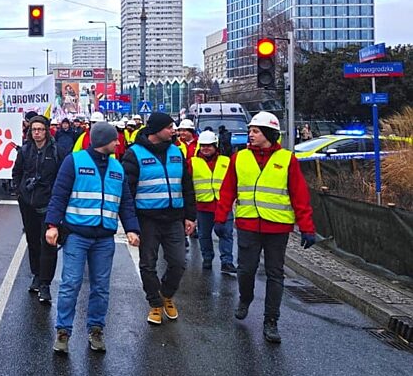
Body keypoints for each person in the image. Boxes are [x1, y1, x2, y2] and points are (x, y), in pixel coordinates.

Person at [215, 111, 316, 344]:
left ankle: (271, 320)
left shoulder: (287, 159)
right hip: (248, 224)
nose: (250, 134)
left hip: (277, 227)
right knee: (245, 270)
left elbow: (300, 196)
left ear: (269, 134)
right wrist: (221, 219)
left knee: (275, 274)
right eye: (250, 131)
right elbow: (227, 190)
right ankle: (245, 298)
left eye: (256, 131)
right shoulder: (239, 158)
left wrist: (307, 227)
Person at [45, 122, 140, 354]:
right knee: (70, 284)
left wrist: (132, 228)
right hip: (77, 235)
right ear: (103, 141)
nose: (118, 142)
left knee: (101, 287)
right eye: (114, 139)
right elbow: (59, 195)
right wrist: (52, 225)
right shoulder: (74, 161)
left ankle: (96, 329)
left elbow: (125, 202)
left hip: (104, 238)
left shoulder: (117, 167)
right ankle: (63, 331)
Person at [121, 112, 197, 326]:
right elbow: (127, 193)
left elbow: (187, 185)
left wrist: (190, 216)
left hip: (174, 218)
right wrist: (131, 226)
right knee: (148, 264)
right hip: (148, 219)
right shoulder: (134, 154)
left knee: (179, 263)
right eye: (169, 127)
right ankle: (155, 303)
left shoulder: (176, 151)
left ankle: (166, 295)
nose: (174, 131)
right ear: (156, 130)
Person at [12, 115, 61, 304]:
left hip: (49, 203)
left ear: (46, 131)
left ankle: (45, 283)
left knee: (48, 243)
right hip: (27, 203)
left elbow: (62, 176)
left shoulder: (56, 151)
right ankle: (36, 275)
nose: (37, 133)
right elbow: (17, 172)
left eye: (40, 129)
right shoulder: (25, 150)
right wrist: (19, 191)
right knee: (32, 241)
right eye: (34, 129)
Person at [188, 130, 235, 273]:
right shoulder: (192, 162)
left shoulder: (226, 161)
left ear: (215, 146)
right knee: (204, 235)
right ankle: (207, 258)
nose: (205, 148)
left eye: (209, 146)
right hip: (203, 205)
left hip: (223, 205)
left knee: (226, 233)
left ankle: (227, 261)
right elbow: (187, 185)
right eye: (203, 146)